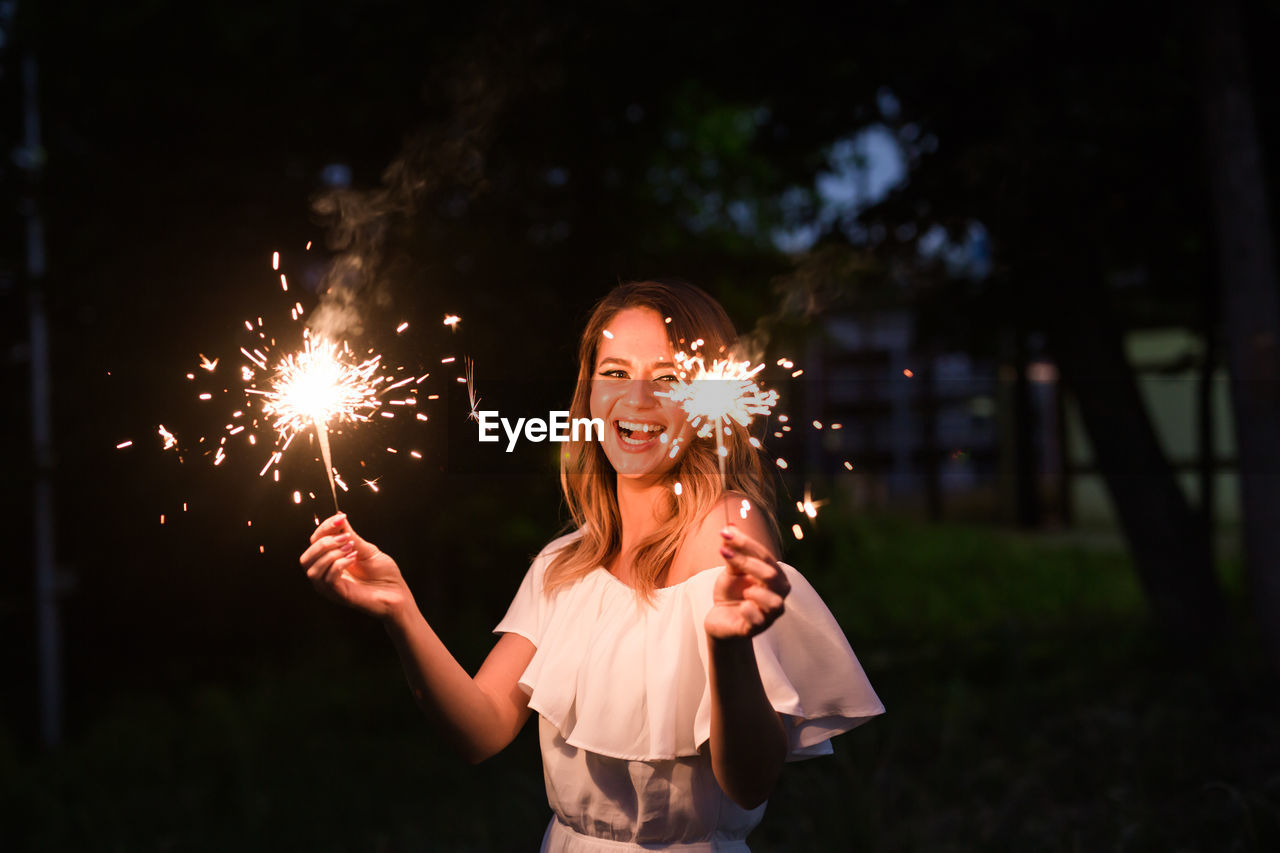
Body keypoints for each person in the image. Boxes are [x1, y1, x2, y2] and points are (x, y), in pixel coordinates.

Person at [299, 280, 884, 851]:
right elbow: (478, 731)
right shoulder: (564, 564)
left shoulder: (728, 533)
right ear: (588, 396)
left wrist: (728, 647)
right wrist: (399, 609)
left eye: (669, 378)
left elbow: (751, 780)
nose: (638, 399)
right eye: (615, 373)